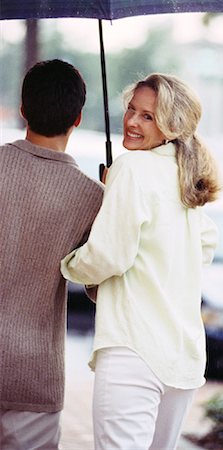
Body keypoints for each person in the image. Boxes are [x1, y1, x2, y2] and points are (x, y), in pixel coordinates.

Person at [61, 73, 221, 450]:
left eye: (148, 116)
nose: (132, 121)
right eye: (132, 110)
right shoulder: (186, 176)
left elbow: (109, 255)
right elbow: (205, 246)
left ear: (172, 124)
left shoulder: (131, 168)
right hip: (182, 358)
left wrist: (68, 265)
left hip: (133, 349)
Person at [0, 59, 104, 450]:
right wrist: (113, 203)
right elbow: (97, 286)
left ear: (23, 109)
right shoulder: (92, 197)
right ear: (78, 117)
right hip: (35, 371)